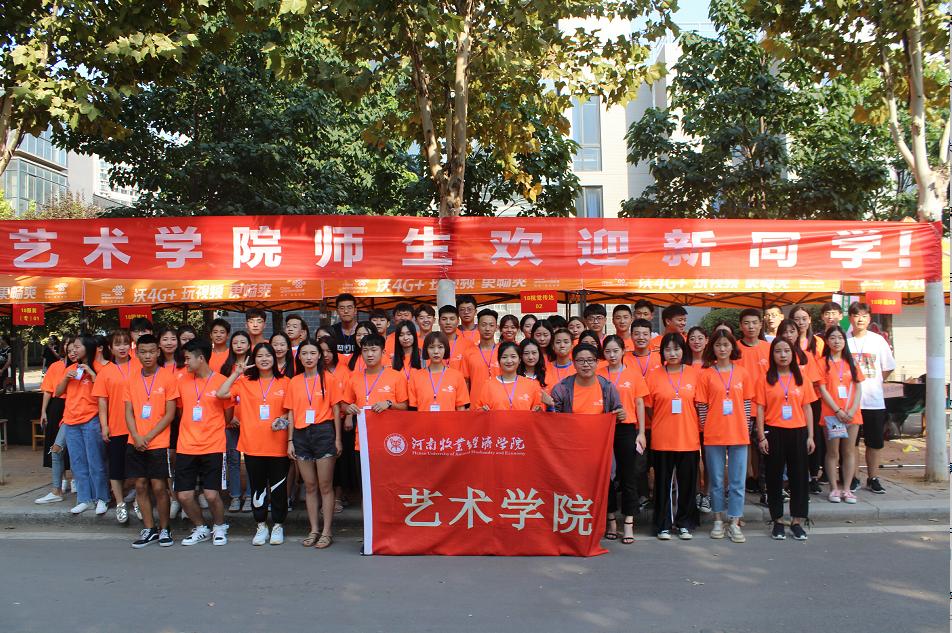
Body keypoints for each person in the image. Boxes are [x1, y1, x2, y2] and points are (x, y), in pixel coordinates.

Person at [217, 342, 292, 545]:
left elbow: (291, 411)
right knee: (258, 488)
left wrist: (283, 419)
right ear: (254, 359)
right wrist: (236, 373)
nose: (264, 359)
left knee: (278, 488)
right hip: (252, 445)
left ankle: (278, 525)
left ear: (274, 358)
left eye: (268, 355)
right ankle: (261, 525)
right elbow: (221, 393)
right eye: (259, 356)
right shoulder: (244, 382)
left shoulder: (286, 382)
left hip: (278, 445)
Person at [551, 343, 625, 540]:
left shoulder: (607, 387)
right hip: (571, 448)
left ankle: (610, 521)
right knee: (573, 484)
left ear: (597, 362)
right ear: (574, 363)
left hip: (599, 448)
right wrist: (549, 408)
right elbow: (553, 418)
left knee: (606, 482)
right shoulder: (562, 388)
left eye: (590, 360)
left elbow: (617, 411)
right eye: (581, 361)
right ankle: (572, 522)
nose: (586, 365)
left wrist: (620, 414)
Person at [755, 337, 817, 541]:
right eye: (778, 351)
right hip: (774, 432)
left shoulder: (802, 378)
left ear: (793, 354)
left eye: (787, 351)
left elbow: (807, 407)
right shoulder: (765, 379)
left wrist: (810, 436)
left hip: (798, 432)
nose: (782, 355)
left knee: (799, 477)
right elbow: (760, 408)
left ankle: (797, 521)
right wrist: (761, 436)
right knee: (774, 477)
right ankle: (778, 520)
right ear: (772, 355)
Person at [284, 338, 342, 549]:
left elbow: (336, 409)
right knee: (310, 486)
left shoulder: (329, 379)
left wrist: (337, 439)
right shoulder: (294, 381)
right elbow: (291, 412)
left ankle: (327, 531)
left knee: (325, 485)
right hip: (301, 434)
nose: (308, 357)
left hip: (323, 432)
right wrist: (290, 440)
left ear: (319, 356)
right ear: (298, 357)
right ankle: (314, 529)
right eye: (304, 353)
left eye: (312, 353)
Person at [696, 330, 752, 543]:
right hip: (714, 433)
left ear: (732, 347)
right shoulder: (706, 374)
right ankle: (718, 519)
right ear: (712, 348)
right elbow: (702, 406)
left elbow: (747, 403)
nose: (722, 349)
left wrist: (746, 428)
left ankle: (735, 522)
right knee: (717, 480)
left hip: (738, 433)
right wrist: (706, 427)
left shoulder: (742, 373)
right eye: (718, 345)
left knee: (737, 481)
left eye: (726, 345)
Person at [123, 334, 179, 548]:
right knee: (139, 485)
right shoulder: (131, 379)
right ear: (136, 354)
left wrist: (147, 436)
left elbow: (170, 414)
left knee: (158, 486)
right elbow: (128, 412)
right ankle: (149, 528)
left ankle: (165, 529)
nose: (147, 356)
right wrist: (137, 436)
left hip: (158, 442)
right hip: (135, 441)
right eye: (143, 352)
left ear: (158, 352)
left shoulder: (167, 377)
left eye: (151, 352)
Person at [175, 338, 232, 546]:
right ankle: (201, 528)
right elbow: (181, 411)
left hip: (213, 445)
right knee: (184, 495)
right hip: (186, 445)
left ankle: (219, 526)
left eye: (188, 358)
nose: (185, 363)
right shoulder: (182, 381)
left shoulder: (221, 381)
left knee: (211, 495)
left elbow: (228, 414)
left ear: (201, 358)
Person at [645, 333, 701, 540]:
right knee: (663, 485)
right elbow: (649, 407)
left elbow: (699, 405)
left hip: (688, 438)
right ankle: (663, 525)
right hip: (662, 438)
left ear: (683, 351)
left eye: (676, 349)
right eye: (667, 349)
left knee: (687, 484)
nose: (672, 353)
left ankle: (684, 523)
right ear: (662, 353)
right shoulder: (654, 375)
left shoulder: (694, 374)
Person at [598, 335, 648, 545]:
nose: (611, 355)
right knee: (606, 476)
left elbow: (639, 403)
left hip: (627, 428)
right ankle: (611, 521)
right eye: (607, 351)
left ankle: (628, 522)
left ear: (623, 351)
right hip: (603, 428)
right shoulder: (598, 373)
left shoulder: (633, 374)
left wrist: (641, 432)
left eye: (615, 351)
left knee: (629, 476)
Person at [55, 336, 109, 515]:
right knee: (78, 463)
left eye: (78, 347)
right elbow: (58, 392)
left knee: (96, 461)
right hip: (71, 421)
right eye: (72, 348)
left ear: (88, 348)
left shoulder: (100, 368)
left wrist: (91, 373)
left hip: (91, 419)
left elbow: (105, 393)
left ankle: (102, 498)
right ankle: (85, 499)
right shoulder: (70, 368)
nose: (74, 351)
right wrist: (66, 379)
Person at [847, 302, 895, 495]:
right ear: (850, 318)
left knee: (874, 442)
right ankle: (853, 477)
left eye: (864, 316)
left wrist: (874, 382)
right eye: (856, 315)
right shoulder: (844, 340)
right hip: (850, 403)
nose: (860, 319)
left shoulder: (878, 341)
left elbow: (888, 367)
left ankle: (873, 478)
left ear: (869, 318)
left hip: (873, 401)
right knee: (851, 444)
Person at [92, 329, 136, 524]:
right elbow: (102, 402)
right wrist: (104, 425)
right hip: (117, 426)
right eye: (117, 344)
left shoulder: (140, 366)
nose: (122, 347)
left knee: (138, 468)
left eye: (125, 343)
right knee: (116, 468)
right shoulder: (105, 372)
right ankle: (120, 503)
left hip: (139, 428)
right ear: (110, 348)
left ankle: (139, 500)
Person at [818, 326, 865, 504]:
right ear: (827, 341)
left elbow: (859, 387)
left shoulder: (851, 362)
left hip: (852, 414)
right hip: (831, 414)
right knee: (833, 452)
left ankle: (847, 488)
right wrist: (837, 410)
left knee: (849, 451)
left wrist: (851, 410)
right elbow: (822, 389)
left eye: (840, 338)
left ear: (845, 341)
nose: (836, 341)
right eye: (832, 338)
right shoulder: (822, 362)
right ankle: (833, 488)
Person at [778, 316, 824, 494]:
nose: (789, 335)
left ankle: (801, 484)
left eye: (792, 331)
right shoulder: (775, 354)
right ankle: (783, 485)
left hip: (800, 410)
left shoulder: (806, 356)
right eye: (785, 332)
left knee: (800, 450)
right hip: (778, 412)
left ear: (798, 333)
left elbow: (810, 387)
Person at [35, 336, 77, 505]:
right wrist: (43, 411)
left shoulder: (81, 367)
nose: (71, 350)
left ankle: (75, 481)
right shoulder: (56, 366)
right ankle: (60, 483)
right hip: (58, 407)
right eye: (67, 346)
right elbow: (48, 390)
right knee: (56, 446)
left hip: (75, 408)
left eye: (74, 347)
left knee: (74, 448)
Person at [736, 308, 771, 502]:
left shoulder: (769, 348)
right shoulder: (734, 348)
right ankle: (745, 481)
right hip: (740, 407)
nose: (751, 327)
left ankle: (763, 484)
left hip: (765, 407)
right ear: (741, 326)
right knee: (742, 447)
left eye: (754, 323)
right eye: (747, 323)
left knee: (763, 449)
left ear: (760, 325)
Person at [221, 331, 253, 512]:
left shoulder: (254, 367)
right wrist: (229, 416)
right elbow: (222, 394)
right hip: (230, 420)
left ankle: (249, 496)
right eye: (235, 343)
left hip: (250, 421)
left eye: (243, 342)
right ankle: (234, 496)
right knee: (233, 459)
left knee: (250, 460)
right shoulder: (226, 368)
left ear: (249, 345)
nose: (239, 345)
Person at [474, 341, 544, 411]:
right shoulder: (488, 385)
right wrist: (482, 411)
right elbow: (478, 410)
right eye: (504, 357)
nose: (509, 361)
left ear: (519, 360)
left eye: (513, 356)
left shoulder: (531, 385)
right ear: (499, 360)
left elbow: (538, 411)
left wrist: (539, 410)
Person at [410, 332, 470, 411]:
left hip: (449, 419)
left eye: (440, 347)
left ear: (446, 349)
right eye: (431, 347)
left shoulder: (457, 376)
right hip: (423, 419)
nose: (436, 351)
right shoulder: (416, 377)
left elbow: (461, 409)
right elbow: (413, 410)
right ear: (426, 350)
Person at [464, 308, 500, 405]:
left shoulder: (503, 352)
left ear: (496, 327)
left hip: (499, 404)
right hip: (475, 405)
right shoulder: (468, 353)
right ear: (478, 327)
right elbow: (466, 382)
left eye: (491, 325)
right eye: (484, 325)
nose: (487, 329)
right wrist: (466, 405)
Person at [437, 305, 473, 372]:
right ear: (439, 322)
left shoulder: (468, 345)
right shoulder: (433, 345)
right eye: (444, 319)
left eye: (452, 319)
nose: (448, 322)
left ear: (458, 321)